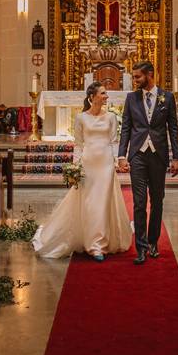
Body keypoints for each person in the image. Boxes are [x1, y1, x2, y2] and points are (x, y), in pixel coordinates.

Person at [33, 82, 132, 261]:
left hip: (106, 165)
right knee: (89, 202)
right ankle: (89, 239)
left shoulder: (111, 117)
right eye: (103, 93)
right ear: (92, 97)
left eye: (106, 93)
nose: (106, 96)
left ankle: (97, 245)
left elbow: (114, 142)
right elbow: (78, 145)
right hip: (88, 164)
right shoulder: (81, 118)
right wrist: (75, 166)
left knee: (102, 202)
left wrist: (119, 160)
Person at [117, 60, 178, 265]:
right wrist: (122, 155)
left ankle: (154, 242)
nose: (134, 80)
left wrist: (177, 157)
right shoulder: (131, 98)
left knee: (157, 200)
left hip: (158, 155)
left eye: (138, 77)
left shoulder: (167, 98)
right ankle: (141, 247)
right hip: (137, 155)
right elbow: (126, 128)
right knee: (138, 202)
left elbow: (173, 129)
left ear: (150, 75)